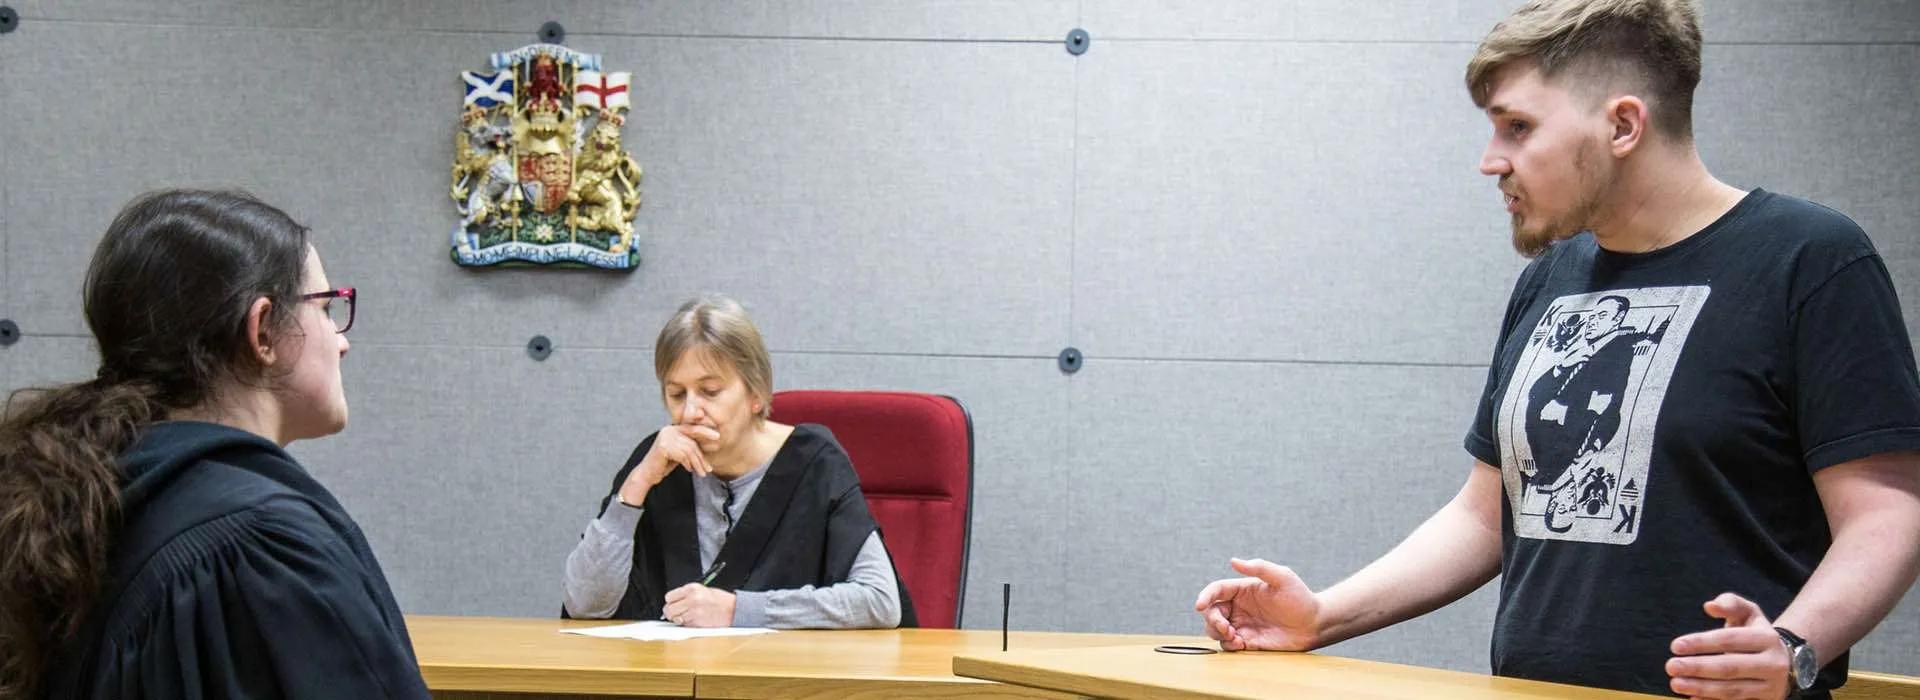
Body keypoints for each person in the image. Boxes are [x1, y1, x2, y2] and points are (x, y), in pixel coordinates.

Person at [1193, 2, 1920, 698]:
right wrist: (1323, 615)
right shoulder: (1553, 277)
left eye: (1517, 127)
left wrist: (1793, 646)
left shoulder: (1810, 260)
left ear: (1624, 125)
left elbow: (1889, 514)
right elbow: (1487, 514)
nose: (1490, 161)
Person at [0, 190, 429, 699]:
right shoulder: (255, 546)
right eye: (327, 306)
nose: (342, 339)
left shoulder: (104, 491)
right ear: (263, 331)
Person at [562, 295, 913, 629]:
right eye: (676, 394)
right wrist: (636, 485)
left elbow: (880, 600)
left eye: (710, 392)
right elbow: (585, 605)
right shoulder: (657, 461)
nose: (689, 411)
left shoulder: (814, 462)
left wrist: (737, 610)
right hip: (670, 681)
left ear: (755, 394)